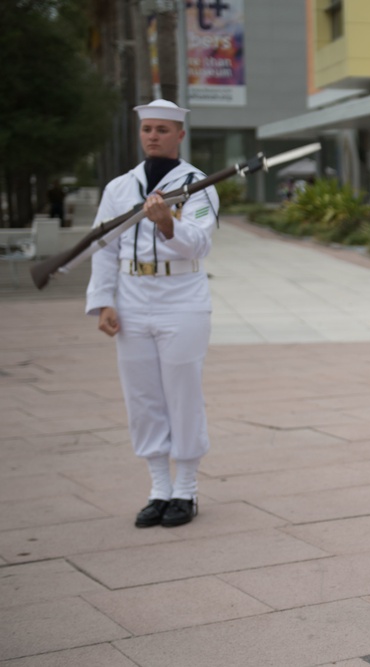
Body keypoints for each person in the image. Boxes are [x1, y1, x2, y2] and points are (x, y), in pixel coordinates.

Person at [85, 99, 219, 528]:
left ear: (180, 134)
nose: (153, 136)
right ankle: (159, 487)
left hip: (181, 294)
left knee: (181, 391)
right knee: (142, 396)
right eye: (148, 129)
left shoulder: (199, 184)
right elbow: (103, 246)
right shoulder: (120, 187)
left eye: (163, 129)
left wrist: (168, 225)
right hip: (132, 295)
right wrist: (104, 300)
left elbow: (200, 242)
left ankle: (187, 490)